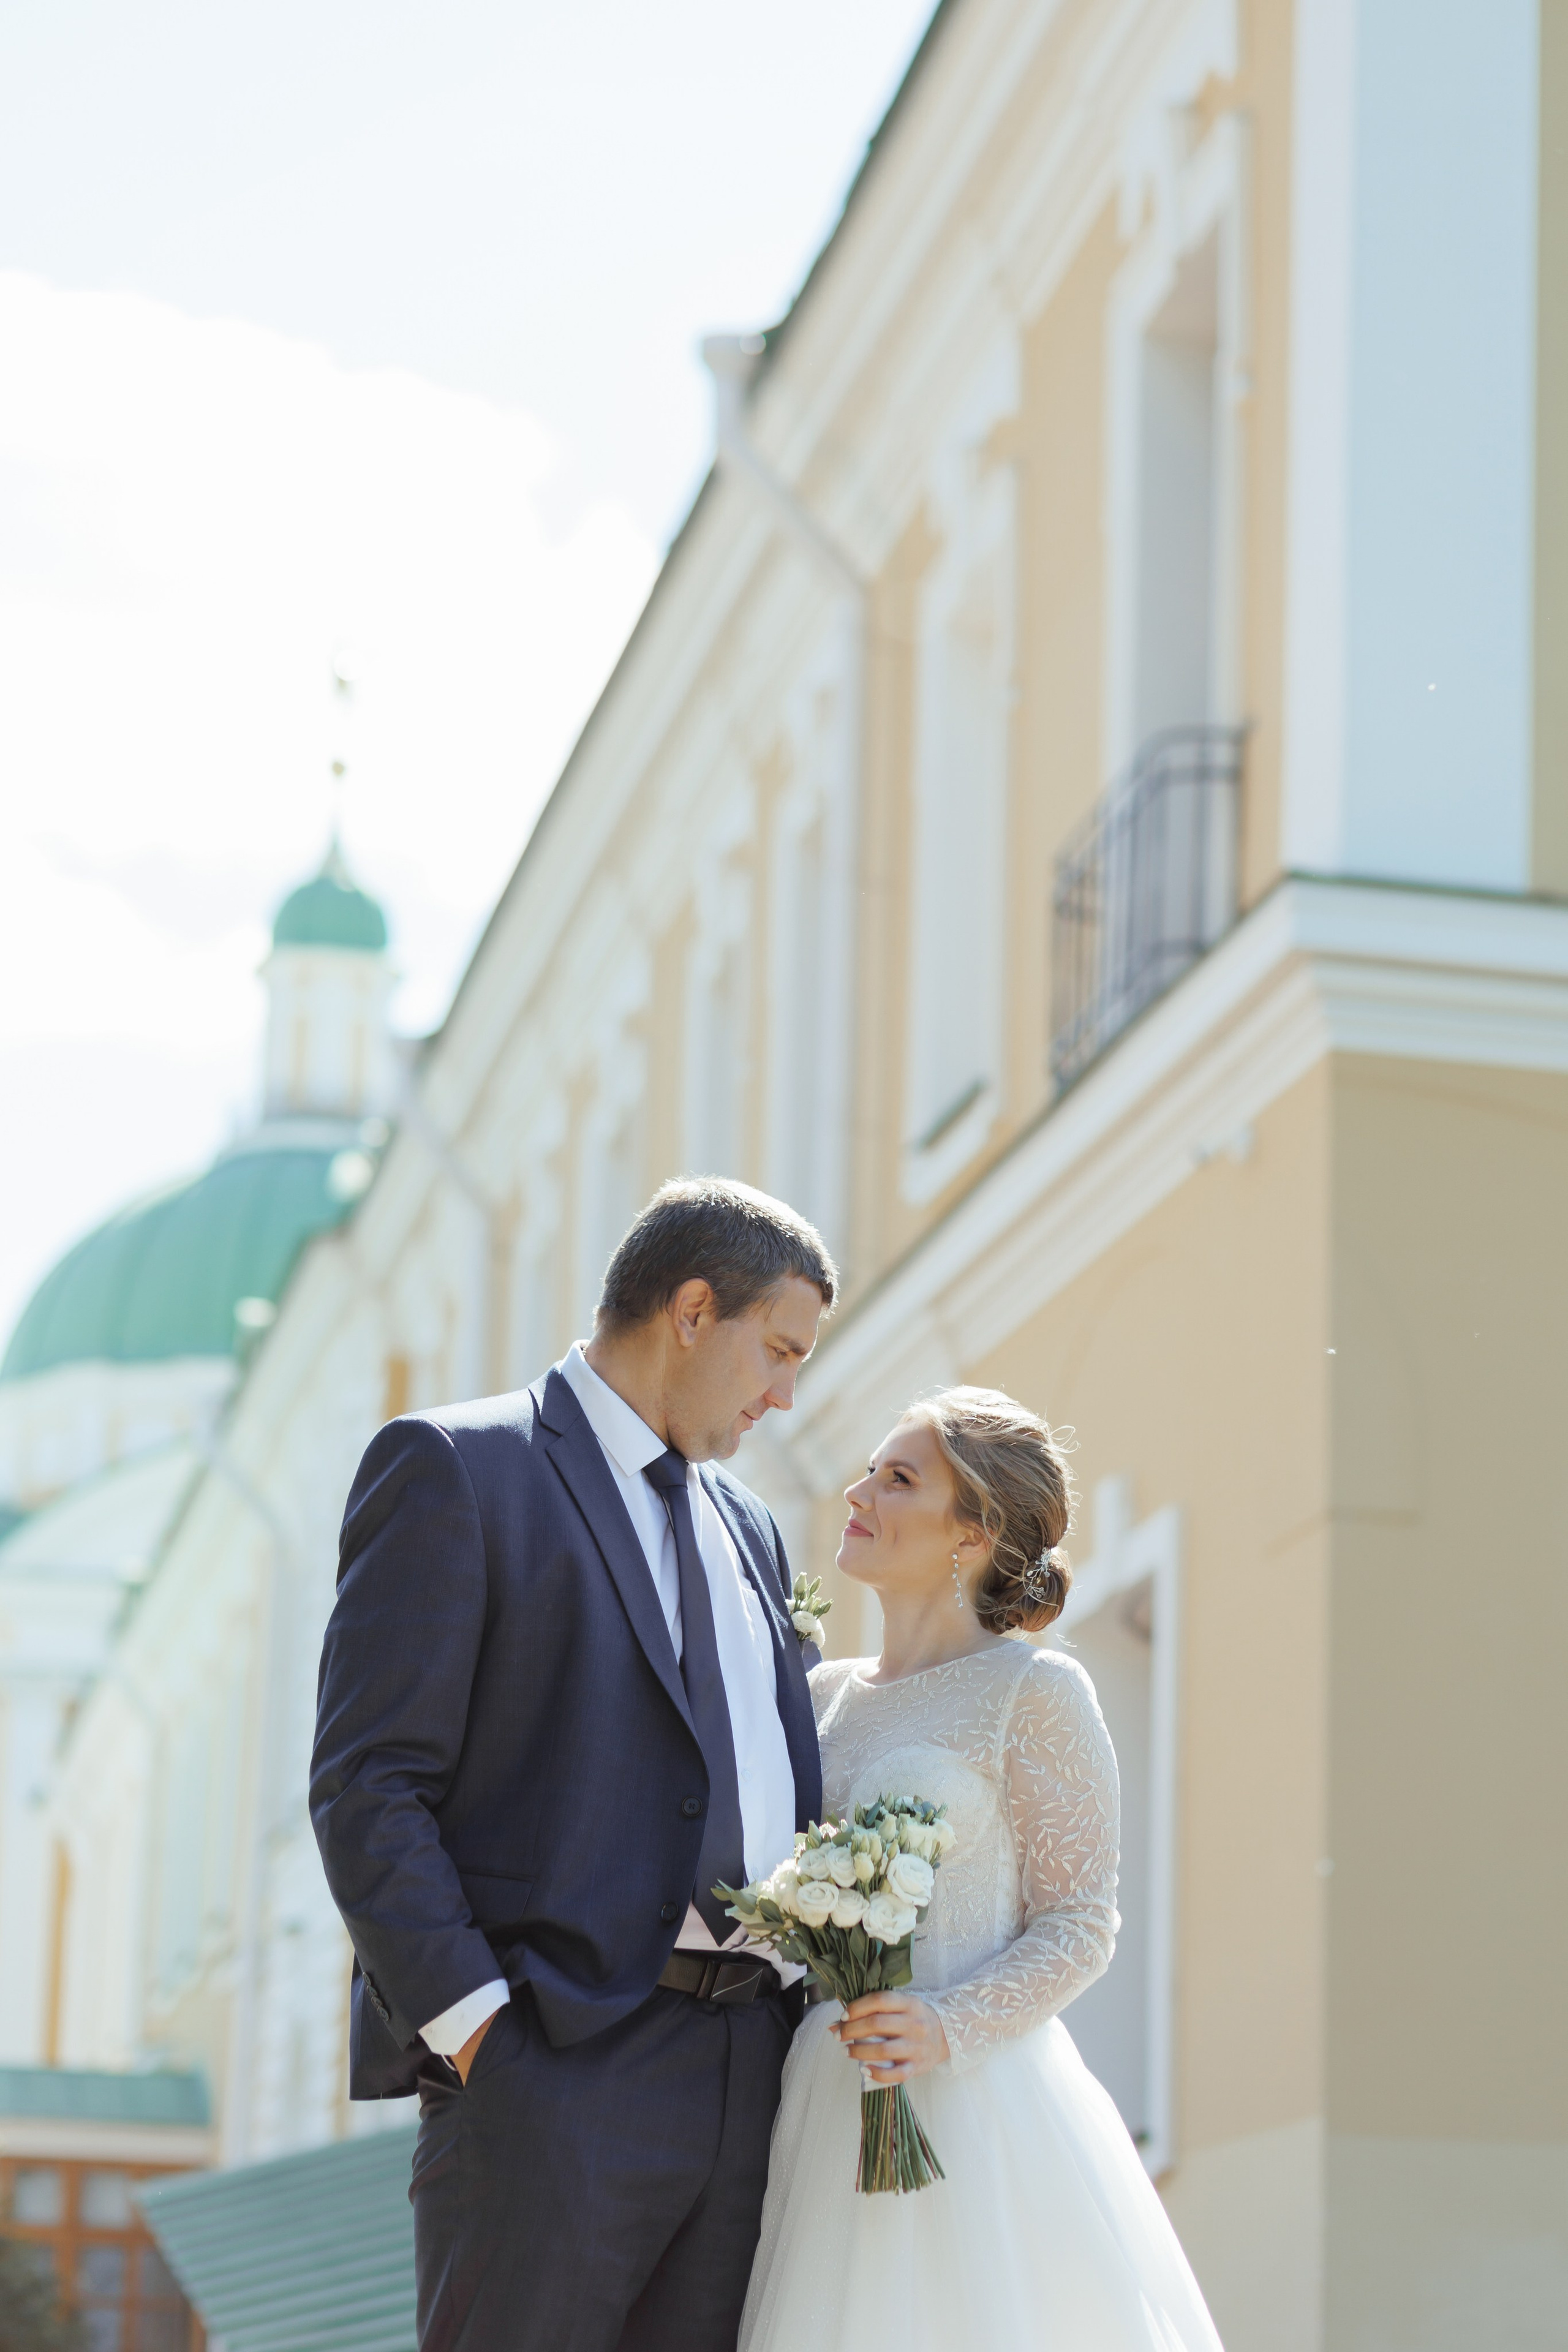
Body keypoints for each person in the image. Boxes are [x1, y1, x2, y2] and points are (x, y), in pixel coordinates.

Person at [310, 1177, 837, 2351]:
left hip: (749, 2076)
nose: (785, 1396)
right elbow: (368, 1783)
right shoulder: (456, 1468)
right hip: (551, 2069)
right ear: (692, 1311)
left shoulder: (751, 1528)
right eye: (780, 1351)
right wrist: (480, 2034)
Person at [740, 1385, 1225, 2350]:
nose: (858, 1493)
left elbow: (1081, 1923)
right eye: (869, 1471)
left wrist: (946, 2026)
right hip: (822, 2097)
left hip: (974, 2110)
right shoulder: (817, 1695)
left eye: (898, 1478)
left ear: (974, 1530)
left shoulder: (1034, 1691)